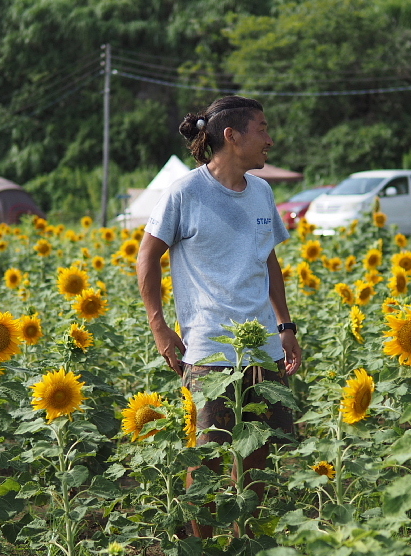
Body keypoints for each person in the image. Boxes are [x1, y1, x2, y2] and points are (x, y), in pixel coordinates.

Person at [136, 95, 302, 538]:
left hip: (263, 348)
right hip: (210, 349)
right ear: (232, 136)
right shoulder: (186, 192)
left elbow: (268, 262)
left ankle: (244, 541)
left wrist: (285, 326)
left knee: (259, 454)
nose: (270, 139)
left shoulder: (262, 192)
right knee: (207, 459)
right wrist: (160, 327)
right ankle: (202, 546)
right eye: (262, 129)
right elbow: (146, 257)